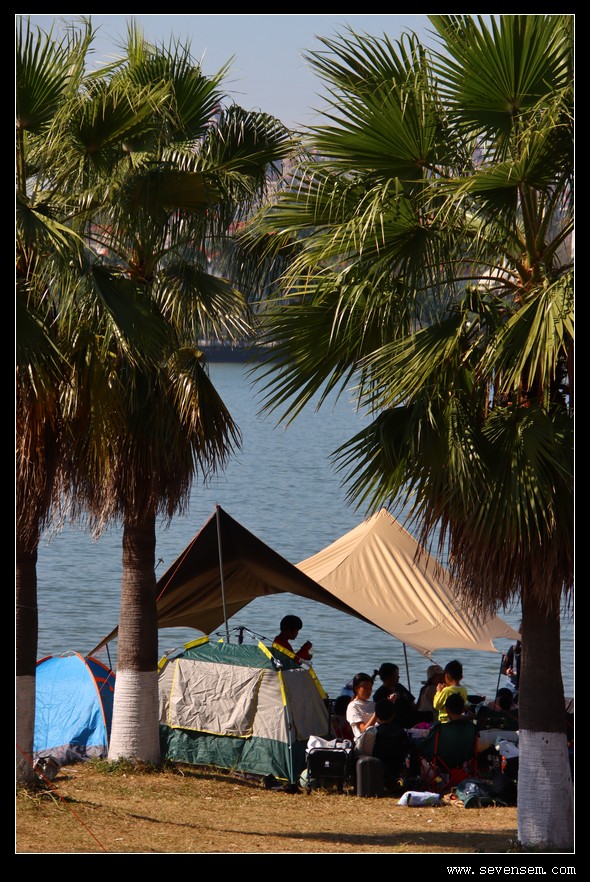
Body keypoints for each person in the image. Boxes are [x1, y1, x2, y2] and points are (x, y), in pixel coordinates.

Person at [357, 698, 419, 790]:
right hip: (397, 766)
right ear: (393, 714)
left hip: (377, 767)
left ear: (376, 715)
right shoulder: (401, 731)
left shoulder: (373, 732)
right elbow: (408, 748)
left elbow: (363, 750)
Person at [432, 659, 468, 724]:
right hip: (458, 720)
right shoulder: (464, 690)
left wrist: (438, 692)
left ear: (447, 676)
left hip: (445, 722)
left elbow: (436, 705)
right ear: (461, 677)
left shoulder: (446, 691)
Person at [345, 672, 377, 743]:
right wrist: (376, 714)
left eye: (370, 688)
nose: (369, 691)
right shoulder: (353, 706)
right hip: (363, 743)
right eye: (365, 688)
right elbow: (364, 730)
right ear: (356, 689)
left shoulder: (373, 704)